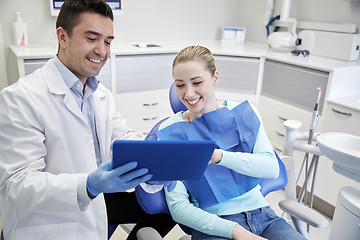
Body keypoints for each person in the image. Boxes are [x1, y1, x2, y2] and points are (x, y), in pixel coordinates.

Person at [0, 0, 175, 239]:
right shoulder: (20, 98)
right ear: (62, 36)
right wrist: (88, 185)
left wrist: (157, 157)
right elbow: (16, 185)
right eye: (91, 39)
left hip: (94, 213)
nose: (102, 51)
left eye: (108, 42)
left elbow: (122, 139)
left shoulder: (101, 95)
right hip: (48, 226)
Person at [156, 45, 307, 240]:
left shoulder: (243, 113)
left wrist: (218, 156)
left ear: (215, 78)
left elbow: (271, 169)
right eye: (180, 85)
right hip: (214, 225)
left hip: (265, 217)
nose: (189, 93)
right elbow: (179, 208)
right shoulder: (170, 131)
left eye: (197, 82)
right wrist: (236, 231)